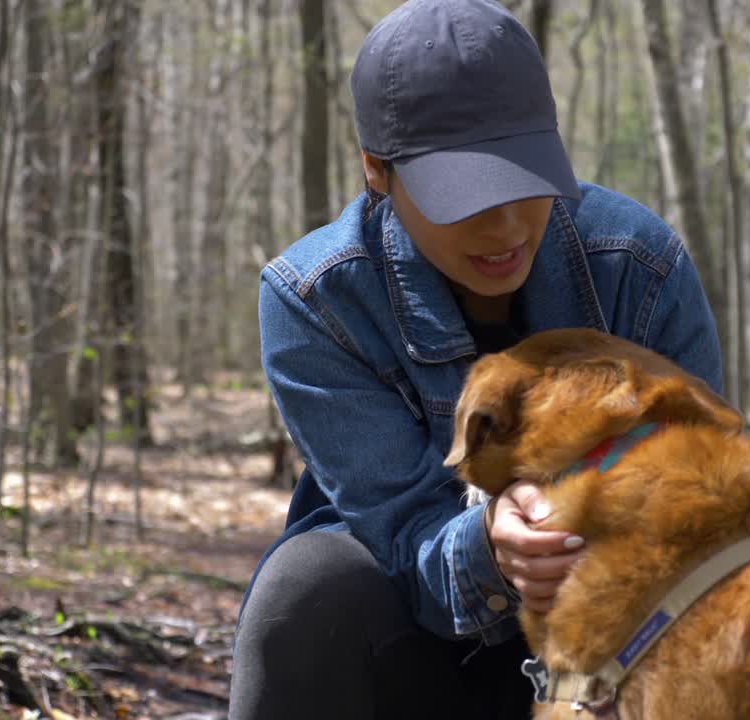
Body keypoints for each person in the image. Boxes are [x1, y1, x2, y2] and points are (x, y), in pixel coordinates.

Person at [229, 1, 722, 717]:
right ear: (377, 171)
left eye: (524, 180)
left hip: (624, 641)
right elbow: (398, 532)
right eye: (462, 196)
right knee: (309, 587)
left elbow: (710, 496)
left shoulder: (637, 267)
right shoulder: (318, 298)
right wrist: (491, 546)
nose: (506, 225)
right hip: (420, 652)